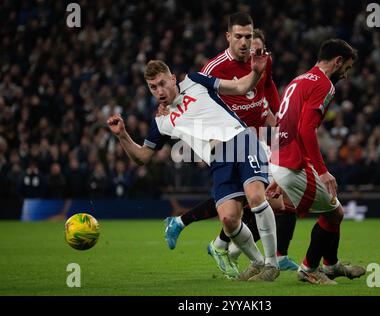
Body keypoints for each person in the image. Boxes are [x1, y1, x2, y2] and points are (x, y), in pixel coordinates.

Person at [107, 54, 280, 281]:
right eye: (152, 87)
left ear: (172, 78)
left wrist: (256, 72)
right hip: (218, 160)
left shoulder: (195, 81)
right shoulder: (161, 122)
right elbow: (142, 157)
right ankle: (257, 263)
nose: (159, 91)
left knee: (256, 195)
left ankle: (272, 264)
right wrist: (122, 136)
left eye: (162, 84)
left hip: (240, 139)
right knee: (228, 219)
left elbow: (239, 86)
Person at [164, 13, 299, 276]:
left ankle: (229, 246)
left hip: (256, 136)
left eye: (249, 37)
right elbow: (194, 105)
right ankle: (253, 254)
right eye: (239, 36)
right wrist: (202, 143)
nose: (246, 43)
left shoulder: (262, 60)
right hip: (226, 140)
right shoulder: (213, 69)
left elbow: (267, 85)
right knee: (249, 201)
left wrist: (276, 115)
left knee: (268, 202)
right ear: (229, 37)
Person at [267, 39, 366, 284]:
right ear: (338, 61)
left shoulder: (298, 80)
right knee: (335, 213)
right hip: (292, 163)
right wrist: (322, 171)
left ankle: (330, 264)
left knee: (333, 212)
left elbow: (284, 123)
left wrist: (278, 173)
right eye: (347, 68)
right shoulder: (324, 85)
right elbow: (305, 130)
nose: (345, 75)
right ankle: (309, 268)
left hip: (282, 158)